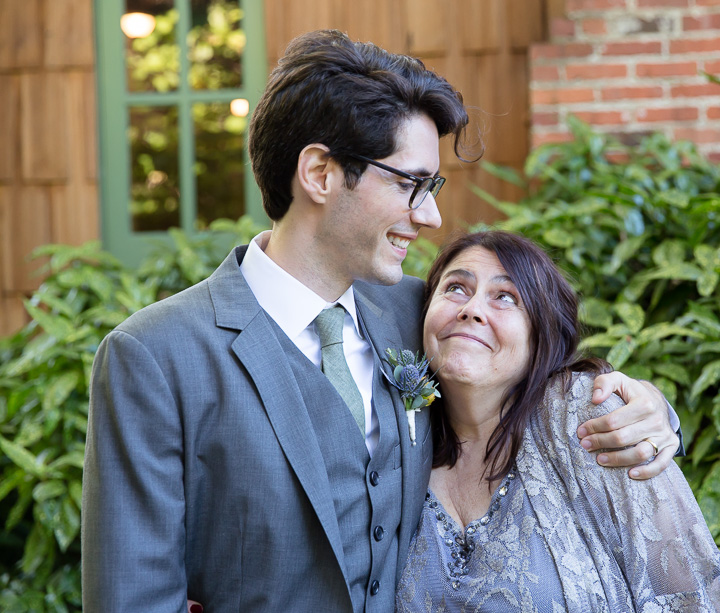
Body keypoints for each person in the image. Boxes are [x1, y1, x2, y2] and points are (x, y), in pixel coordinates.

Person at [81, 30, 681, 612]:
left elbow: (532, 382)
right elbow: (131, 595)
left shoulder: (423, 315)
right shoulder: (154, 356)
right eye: (411, 184)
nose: (431, 216)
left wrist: (649, 410)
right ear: (320, 174)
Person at [396, 231, 720, 611]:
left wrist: (657, 405)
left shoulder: (584, 415)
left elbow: (690, 596)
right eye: (456, 288)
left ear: (540, 336)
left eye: (505, 297)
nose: (471, 309)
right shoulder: (398, 432)